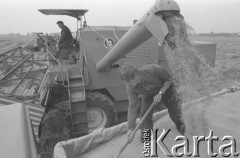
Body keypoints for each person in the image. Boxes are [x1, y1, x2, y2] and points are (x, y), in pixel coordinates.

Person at [120, 64, 185, 143]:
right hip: (149, 93)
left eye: (129, 83)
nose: (128, 85)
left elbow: (169, 79)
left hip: (166, 87)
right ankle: (146, 134)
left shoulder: (153, 69)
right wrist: (130, 129)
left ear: (136, 76)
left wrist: (160, 93)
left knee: (174, 108)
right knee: (144, 112)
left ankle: (179, 124)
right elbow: (132, 107)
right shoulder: (130, 88)